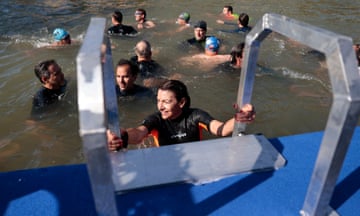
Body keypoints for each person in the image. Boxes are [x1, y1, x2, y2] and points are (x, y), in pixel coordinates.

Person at [107, 79, 255, 150]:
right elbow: (139, 134)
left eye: (166, 101)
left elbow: (220, 129)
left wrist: (237, 119)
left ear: (182, 102)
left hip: (197, 161)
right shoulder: (156, 120)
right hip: (168, 165)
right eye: (158, 101)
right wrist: (123, 136)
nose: (161, 106)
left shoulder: (195, 116)